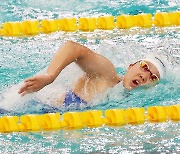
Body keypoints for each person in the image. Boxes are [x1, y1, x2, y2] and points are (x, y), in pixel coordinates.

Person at [18, 41, 166, 107]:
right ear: (130, 66)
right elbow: (73, 48)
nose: (145, 76)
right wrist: (50, 76)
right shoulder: (108, 75)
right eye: (144, 67)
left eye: (153, 78)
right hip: (27, 104)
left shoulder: (126, 102)